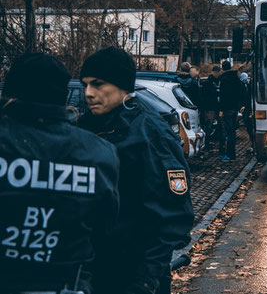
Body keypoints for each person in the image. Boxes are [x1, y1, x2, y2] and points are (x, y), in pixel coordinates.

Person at [0, 53, 120, 294]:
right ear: (62, 96)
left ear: (9, 94)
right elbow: (107, 230)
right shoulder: (98, 153)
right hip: (68, 283)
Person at [78, 47, 193, 294]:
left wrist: (146, 280)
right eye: (85, 84)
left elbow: (174, 215)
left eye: (98, 84)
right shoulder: (83, 127)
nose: (88, 93)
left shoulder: (151, 133)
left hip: (134, 274)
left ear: (121, 85)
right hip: (90, 273)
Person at [217, 60, 246, 161]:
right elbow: (242, 91)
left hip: (227, 108)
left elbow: (223, 96)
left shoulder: (224, 79)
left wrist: (221, 109)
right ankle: (232, 153)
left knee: (228, 131)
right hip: (235, 107)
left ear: (222, 68)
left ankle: (230, 154)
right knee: (232, 131)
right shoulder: (236, 78)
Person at [201, 65, 223, 147]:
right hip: (210, 106)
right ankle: (206, 143)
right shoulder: (208, 82)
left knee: (220, 126)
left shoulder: (220, 80)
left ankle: (219, 144)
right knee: (209, 126)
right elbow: (206, 95)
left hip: (216, 106)